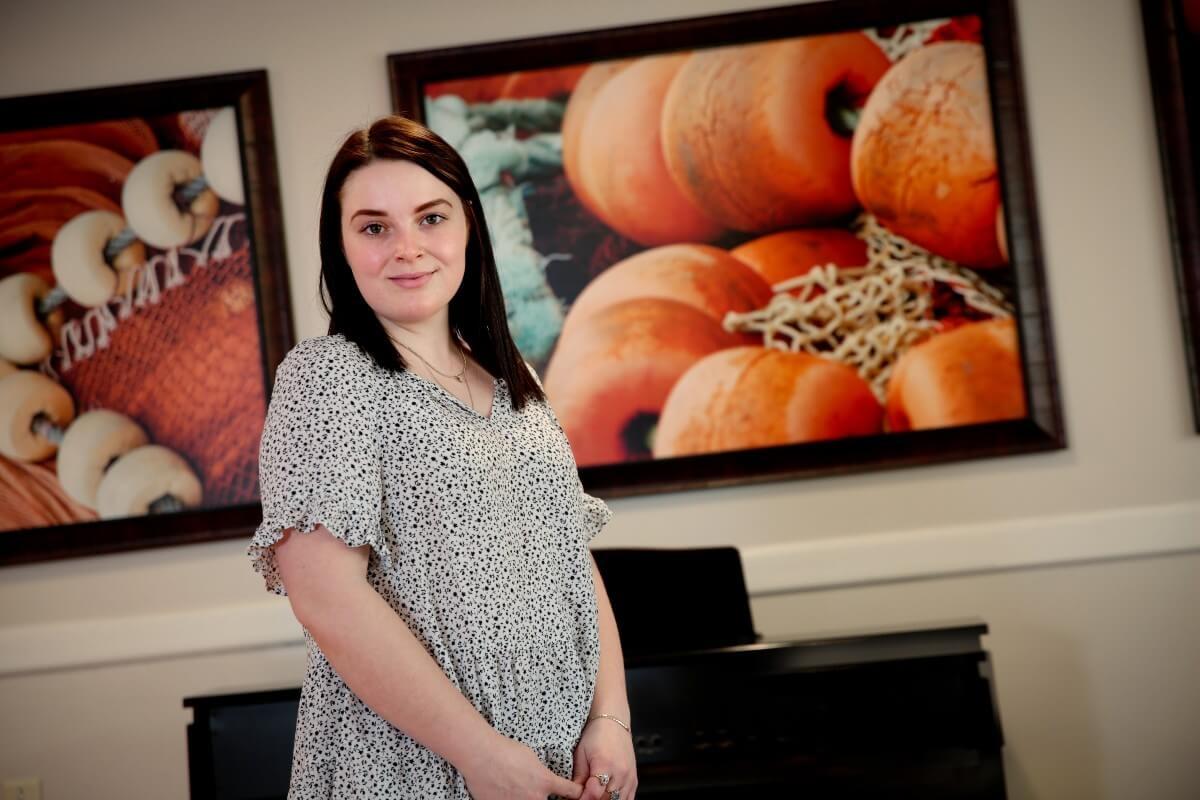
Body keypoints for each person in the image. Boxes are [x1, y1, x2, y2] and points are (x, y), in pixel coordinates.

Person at [247, 115, 637, 800]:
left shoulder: (515, 376)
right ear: (340, 248)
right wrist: (480, 754)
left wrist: (612, 720)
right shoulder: (326, 378)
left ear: (468, 227)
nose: (408, 248)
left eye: (431, 218)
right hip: (416, 767)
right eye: (374, 227)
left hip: (561, 759)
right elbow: (327, 599)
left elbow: (572, 560)